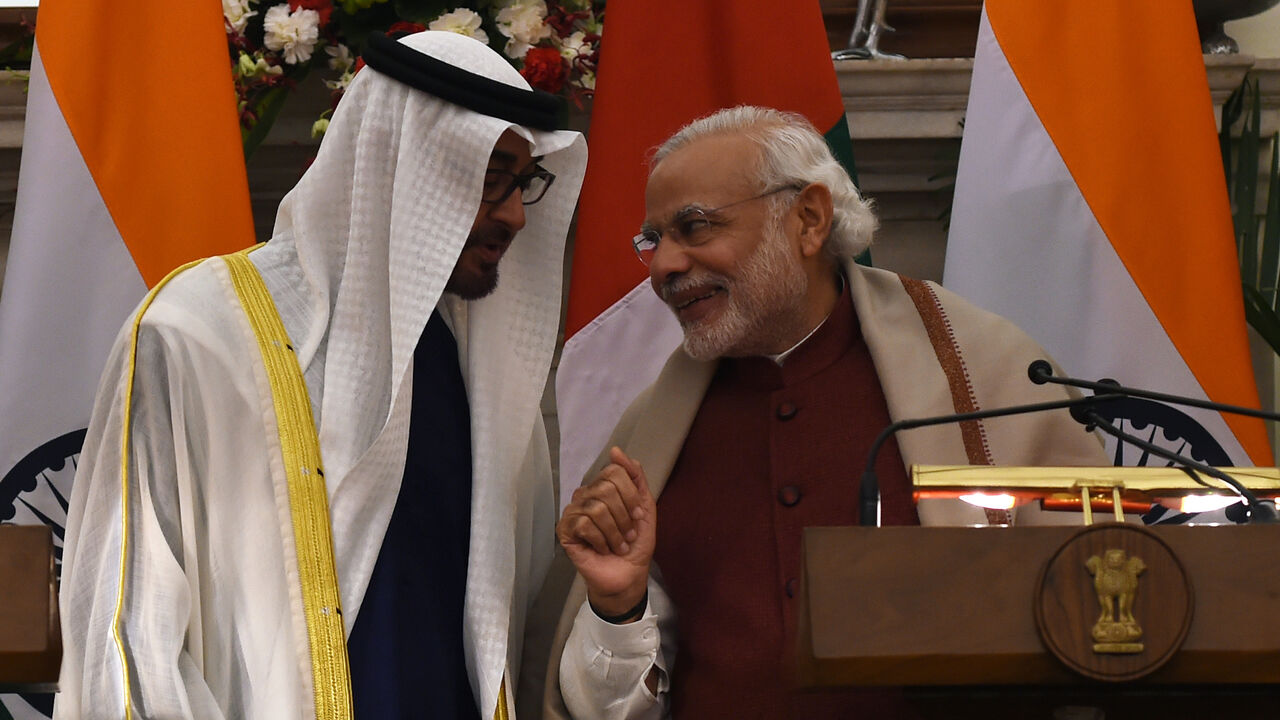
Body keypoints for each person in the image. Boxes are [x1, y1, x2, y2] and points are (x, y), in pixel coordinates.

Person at [54, 31, 586, 720]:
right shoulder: (198, 335)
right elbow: (124, 632)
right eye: (488, 180)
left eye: (523, 183)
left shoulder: (487, 379)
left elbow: (513, 647)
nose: (515, 215)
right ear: (402, 165)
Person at [540, 106, 1107, 719]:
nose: (663, 267)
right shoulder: (654, 431)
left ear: (808, 220)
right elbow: (609, 708)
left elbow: (1099, 626)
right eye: (654, 240)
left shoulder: (986, 378)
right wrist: (617, 605)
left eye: (695, 227)